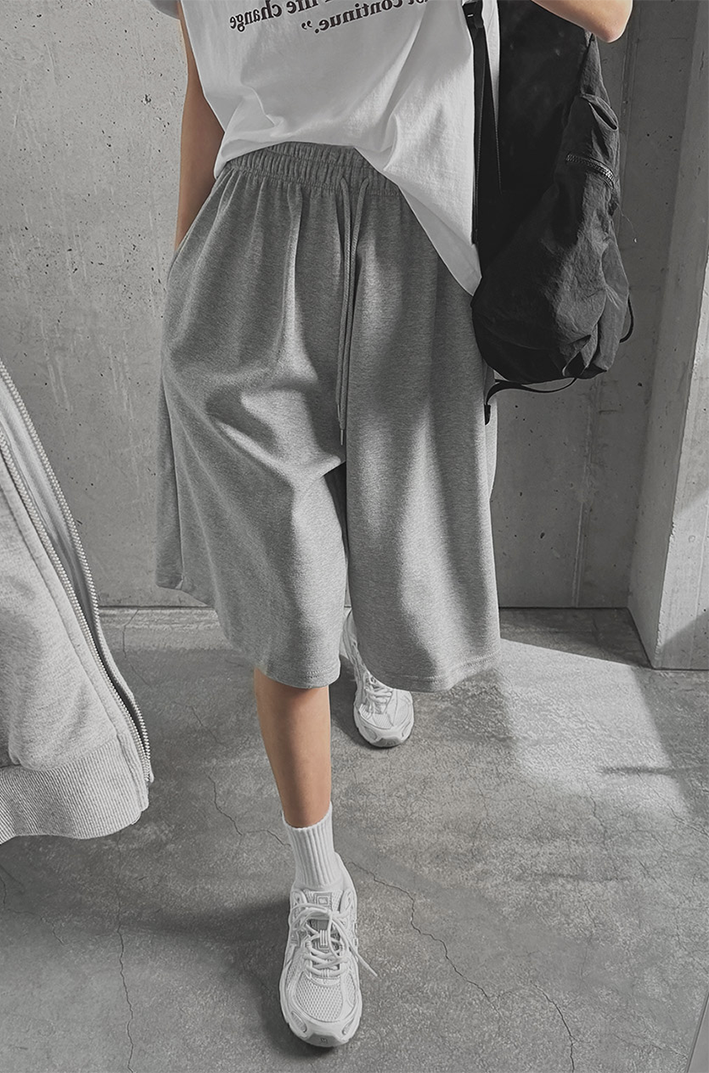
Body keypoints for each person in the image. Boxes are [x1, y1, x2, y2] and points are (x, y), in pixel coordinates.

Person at [150, 0, 632, 1048]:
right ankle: (317, 881)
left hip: (418, 242)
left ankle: (374, 646)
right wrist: (182, 268)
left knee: (403, 540)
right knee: (286, 595)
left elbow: (610, 12)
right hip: (246, 250)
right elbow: (203, 80)